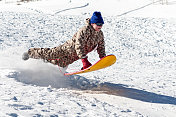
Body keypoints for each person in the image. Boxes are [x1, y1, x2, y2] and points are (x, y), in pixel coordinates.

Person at [22, 11, 106, 70]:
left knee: (60, 63)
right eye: (98, 24)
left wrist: (102, 58)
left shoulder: (100, 34)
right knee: (50, 54)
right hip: (67, 49)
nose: (100, 26)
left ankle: (42, 61)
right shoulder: (84, 30)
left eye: (101, 24)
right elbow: (78, 45)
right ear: (92, 23)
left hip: (75, 55)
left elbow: (101, 46)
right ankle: (29, 53)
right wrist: (84, 60)